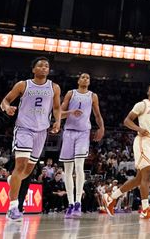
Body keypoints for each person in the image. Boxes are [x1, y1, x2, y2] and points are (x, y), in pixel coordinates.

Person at [0, 56, 61, 221]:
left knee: (26, 172)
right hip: (24, 129)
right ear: (33, 69)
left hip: (42, 131)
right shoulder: (23, 84)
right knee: (20, 166)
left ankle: (12, 180)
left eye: (46, 66)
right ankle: (13, 208)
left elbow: (56, 108)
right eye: (40, 65)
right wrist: (7, 108)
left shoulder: (54, 87)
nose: (44, 68)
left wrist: (58, 121)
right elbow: (5, 101)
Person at [104, 83, 150, 220]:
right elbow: (127, 121)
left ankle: (111, 198)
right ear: (148, 91)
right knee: (147, 175)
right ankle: (145, 210)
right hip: (142, 140)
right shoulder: (142, 104)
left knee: (139, 179)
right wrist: (139, 129)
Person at [60, 73, 105, 218]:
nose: (86, 79)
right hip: (68, 132)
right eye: (83, 77)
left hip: (83, 132)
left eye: (88, 78)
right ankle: (70, 203)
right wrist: (70, 112)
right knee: (68, 169)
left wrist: (101, 128)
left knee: (79, 166)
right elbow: (59, 113)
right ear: (78, 80)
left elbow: (97, 115)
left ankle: (78, 202)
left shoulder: (93, 96)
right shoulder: (70, 93)